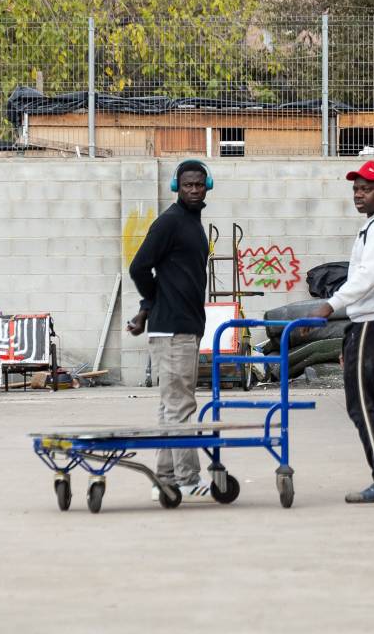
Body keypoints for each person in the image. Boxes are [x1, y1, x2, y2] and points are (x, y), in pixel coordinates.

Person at [309, 160, 374, 503]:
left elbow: (368, 275)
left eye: (366, 189)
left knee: (363, 405)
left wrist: (331, 303)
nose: (359, 195)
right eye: (356, 189)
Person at [127, 160, 213, 501]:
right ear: (177, 187)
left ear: (208, 185)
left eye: (198, 184)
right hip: (175, 329)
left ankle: (164, 479)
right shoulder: (170, 222)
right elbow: (139, 267)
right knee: (180, 406)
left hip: (179, 326)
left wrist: (147, 309)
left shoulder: (191, 222)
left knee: (170, 407)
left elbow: (168, 277)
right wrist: (150, 300)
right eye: (187, 185)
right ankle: (189, 478)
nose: (193, 190)